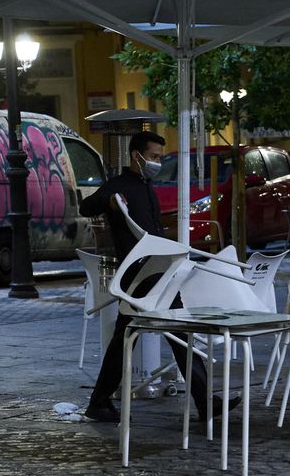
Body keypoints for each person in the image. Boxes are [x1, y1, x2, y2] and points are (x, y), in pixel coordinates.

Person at [81, 130, 239, 423]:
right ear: (135, 156)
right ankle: (203, 401)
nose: (156, 162)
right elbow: (86, 206)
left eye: (159, 157)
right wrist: (109, 202)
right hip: (141, 275)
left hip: (155, 273)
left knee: (138, 335)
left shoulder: (146, 186)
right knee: (169, 332)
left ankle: (100, 402)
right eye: (152, 157)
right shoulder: (119, 186)